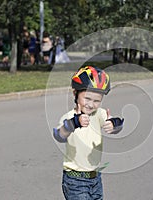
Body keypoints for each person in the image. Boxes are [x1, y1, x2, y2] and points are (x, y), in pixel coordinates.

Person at [53, 66, 124, 200]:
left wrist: (114, 124)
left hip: (95, 178)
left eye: (97, 101)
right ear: (75, 93)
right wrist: (74, 123)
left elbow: (117, 125)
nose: (91, 105)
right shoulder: (68, 117)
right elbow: (59, 135)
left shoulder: (99, 114)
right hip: (75, 181)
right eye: (87, 99)